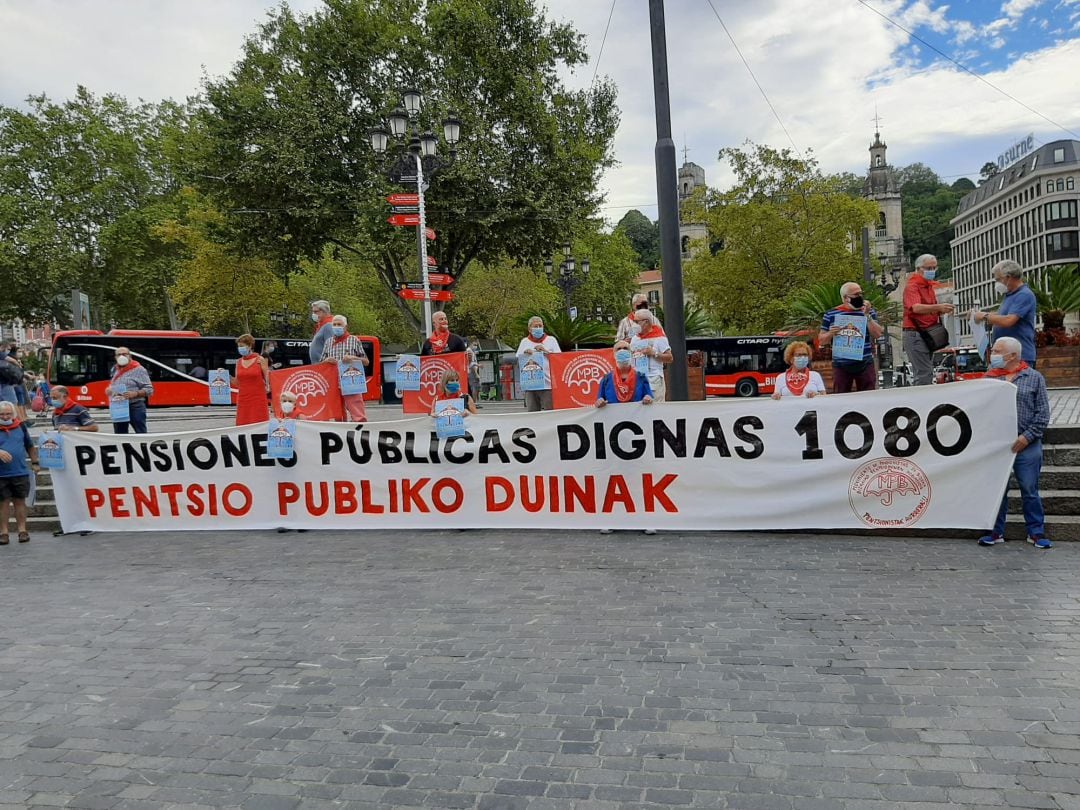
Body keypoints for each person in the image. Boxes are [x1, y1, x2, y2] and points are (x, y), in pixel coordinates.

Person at [979, 336, 1052, 549]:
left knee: (1029, 489)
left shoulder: (1034, 377)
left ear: (1012, 355)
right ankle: (994, 531)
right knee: (997, 491)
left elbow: (1043, 413)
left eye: (998, 351)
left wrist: (1026, 437)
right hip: (997, 446)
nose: (993, 354)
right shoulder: (989, 378)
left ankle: (1036, 532)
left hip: (1027, 445)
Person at [818, 281, 884, 393]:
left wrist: (867, 316)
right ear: (845, 298)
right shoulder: (831, 314)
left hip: (865, 361)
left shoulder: (869, 312)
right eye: (856, 295)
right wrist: (830, 333)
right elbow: (821, 340)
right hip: (841, 363)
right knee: (841, 395)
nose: (860, 297)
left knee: (868, 394)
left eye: (861, 294)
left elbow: (877, 334)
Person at [972, 259, 1037, 367]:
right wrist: (977, 316)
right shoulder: (1009, 295)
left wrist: (984, 316)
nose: (997, 283)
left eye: (998, 279)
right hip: (1003, 357)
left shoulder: (1024, 295)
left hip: (1019, 357)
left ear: (1009, 277)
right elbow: (1002, 316)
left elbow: (1008, 320)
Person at [902, 254, 954, 386]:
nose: (932, 271)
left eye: (934, 267)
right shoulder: (912, 286)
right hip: (916, 333)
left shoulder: (928, 286)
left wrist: (939, 310)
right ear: (919, 269)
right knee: (923, 373)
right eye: (928, 268)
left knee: (926, 372)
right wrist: (938, 307)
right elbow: (915, 308)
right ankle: (921, 404)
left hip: (926, 333)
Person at [0, 400, 38, 545]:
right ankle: (3, 532)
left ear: (13, 414)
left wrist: (35, 462)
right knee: (2, 504)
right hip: (1, 474)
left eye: (8, 413)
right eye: (2, 414)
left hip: (19, 471)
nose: (5, 417)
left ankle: (22, 530)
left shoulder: (20, 426)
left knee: (20, 502)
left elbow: (29, 445)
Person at [320, 315, 369, 423]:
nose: (337, 327)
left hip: (351, 380)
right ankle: (340, 429)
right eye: (334, 324)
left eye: (339, 324)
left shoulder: (354, 340)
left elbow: (366, 362)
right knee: (337, 411)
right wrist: (326, 361)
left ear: (345, 327)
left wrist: (353, 358)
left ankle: (360, 428)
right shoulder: (328, 342)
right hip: (333, 382)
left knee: (357, 410)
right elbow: (320, 365)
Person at [515, 316, 562, 412]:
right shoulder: (524, 342)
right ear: (529, 329)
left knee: (550, 410)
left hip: (548, 384)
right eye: (535, 326)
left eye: (540, 326)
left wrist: (545, 351)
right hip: (530, 384)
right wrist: (524, 354)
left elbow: (559, 359)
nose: (538, 328)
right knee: (532, 411)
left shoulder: (551, 340)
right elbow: (518, 361)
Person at [106, 346, 153, 434]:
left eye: (124, 354)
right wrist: (110, 390)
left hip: (135, 406)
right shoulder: (114, 369)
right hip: (119, 406)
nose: (121, 357)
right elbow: (114, 384)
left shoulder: (139, 369)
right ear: (115, 357)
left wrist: (135, 394)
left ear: (130, 356)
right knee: (120, 434)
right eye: (118, 355)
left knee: (140, 432)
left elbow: (149, 389)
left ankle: (141, 447)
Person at [629, 309, 672, 403]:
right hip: (638, 379)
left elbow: (670, 358)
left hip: (654, 379)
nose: (634, 324)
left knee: (655, 409)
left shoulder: (660, 338)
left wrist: (654, 353)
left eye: (636, 321)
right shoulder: (635, 339)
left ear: (646, 322)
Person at [595, 340, 654, 406]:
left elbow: (649, 397)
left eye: (625, 348)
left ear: (631, 353)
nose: (622, 351)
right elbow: (599, 400)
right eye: (619, 349)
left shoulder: (641, 377)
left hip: (636, 416)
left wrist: (648, 398)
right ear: (614, 354)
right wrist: (600, 402)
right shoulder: (606, 379)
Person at [229, 334, 270, 426]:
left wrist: (268, 387)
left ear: (250, 346)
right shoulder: (238, 362)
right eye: (239, 346)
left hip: (258, 398)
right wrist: (226, 376)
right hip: (243, 399)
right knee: (243, 425)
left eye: (242, 346)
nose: (240, 348)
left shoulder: (260, 359)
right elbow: (237, 383)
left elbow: (268, 378)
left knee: (259, 423)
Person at [309, 300, 334, 364]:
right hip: (320, 365)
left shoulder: (329, 326)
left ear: (324, 311)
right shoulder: (321, 325)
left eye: (315, 312)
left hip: (324, 366)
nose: (313, 314)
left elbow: (332, 347)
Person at [466, 337, 482, 406]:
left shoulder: (472, 351)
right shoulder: (469, 351)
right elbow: (471, 364)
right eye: (475, 344)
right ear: (470, 344)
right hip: (471, 372)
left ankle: (474, 403)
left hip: (472, 371)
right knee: (474, 387)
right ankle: (473, 403)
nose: (476, 346)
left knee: (475, 387)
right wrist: (476, 373)